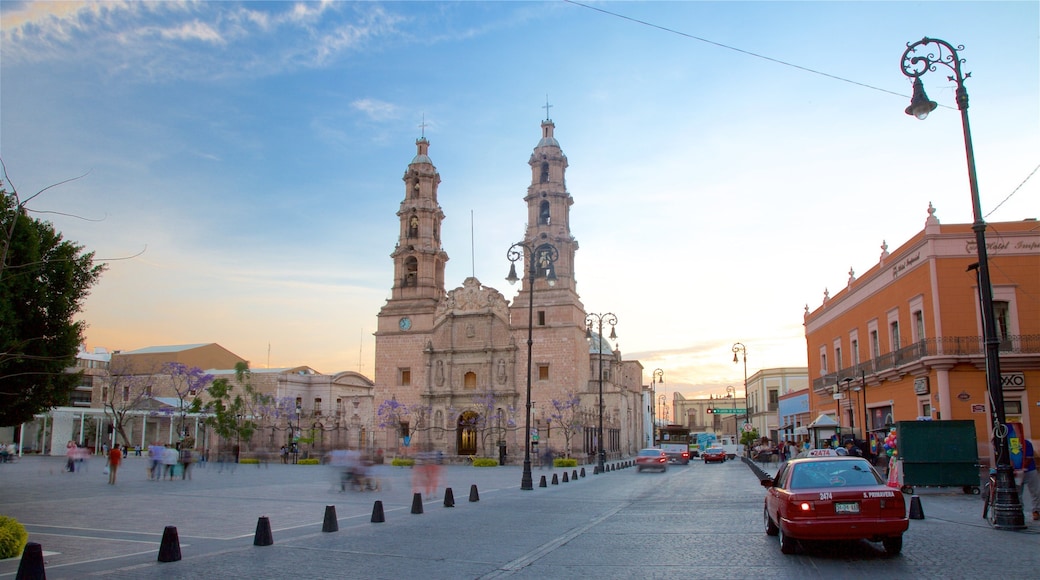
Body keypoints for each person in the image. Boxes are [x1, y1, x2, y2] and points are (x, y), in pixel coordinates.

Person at [1020, 439, 1039, 521]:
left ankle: (1036, 511)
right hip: (1018, 470)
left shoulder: (1026, 443)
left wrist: (1021, 468)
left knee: (1036, 491)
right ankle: (1019, 511)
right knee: (1018, 494)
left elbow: (1028, 458)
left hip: (1029, 470)